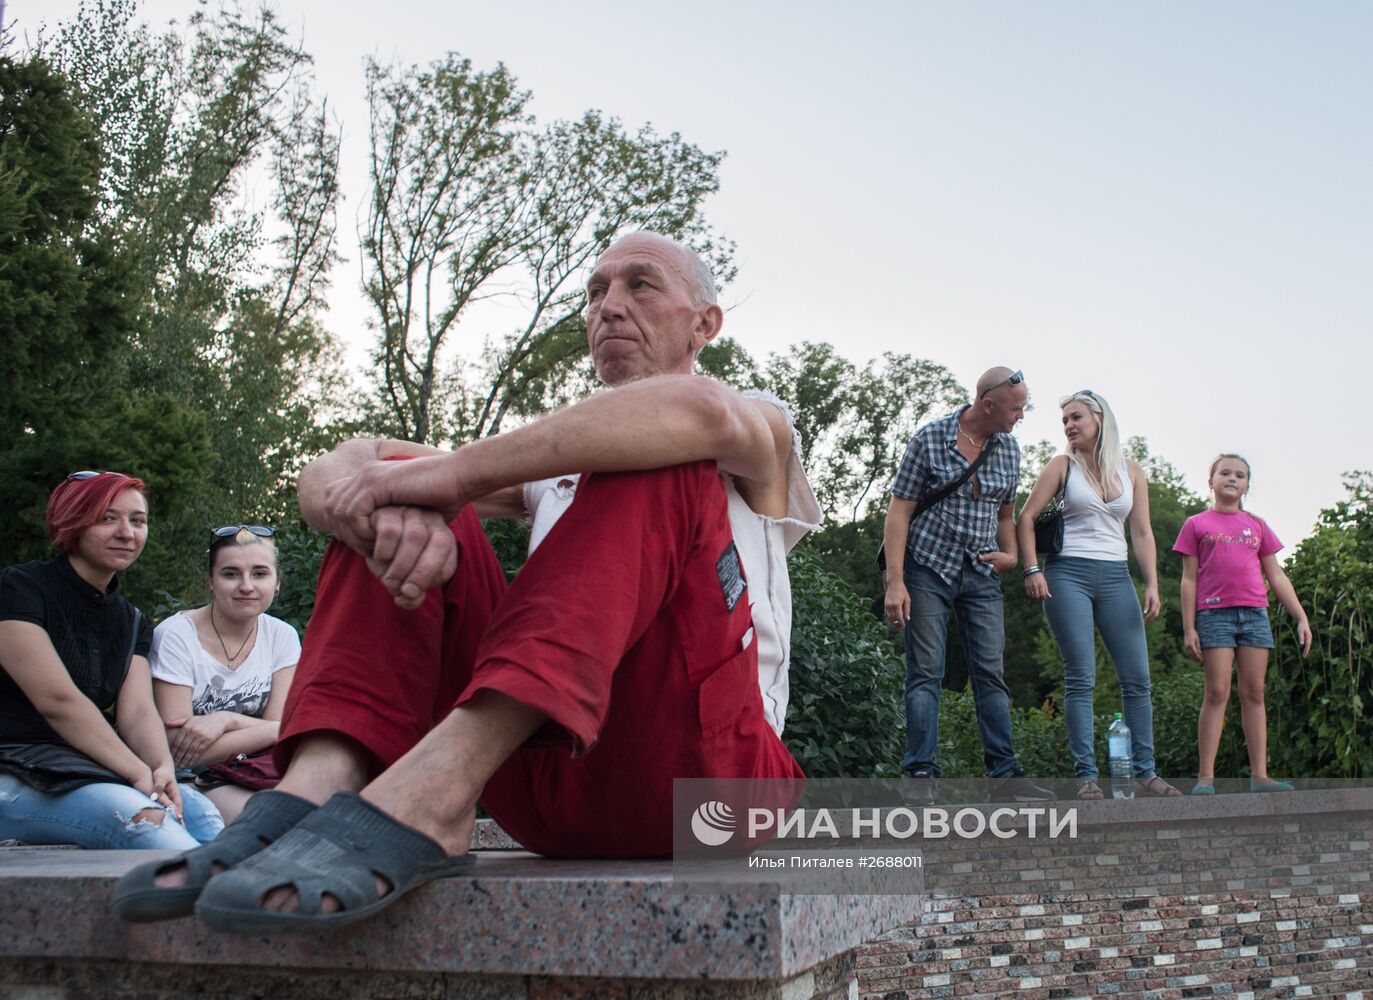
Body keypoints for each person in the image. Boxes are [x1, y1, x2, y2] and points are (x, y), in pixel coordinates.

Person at [113, 231, 819, 929]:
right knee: (398, 496)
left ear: (705, 324)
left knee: (663, 453)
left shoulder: (757, 430)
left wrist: (445, 475)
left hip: (709, 787)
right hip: (542, 789)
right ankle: (317, 785)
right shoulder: (550, 466)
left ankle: (438, 789)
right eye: (594, 292)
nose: (607, 306)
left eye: (639, 284)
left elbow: (697, 413)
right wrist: (380, 502)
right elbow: (344, 465)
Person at [0, 472, 223, 849]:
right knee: (148, 824)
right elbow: (58, 703)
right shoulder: (18, 589)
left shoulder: (132, 621)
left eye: (138, 520)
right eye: (108, 518)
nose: (127, 532)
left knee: (203, 817)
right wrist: (137, 771)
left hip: (78, 767)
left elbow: (137, 713)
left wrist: (162, 768)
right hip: (12, 767)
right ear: (72, 520)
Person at [882, 368, 1053, 804]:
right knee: (925, 673)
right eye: (1016, 408)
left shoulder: (1009, 450)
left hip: (980, 574)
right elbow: (898, 513)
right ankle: (921, 775)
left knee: (991, 674)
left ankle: (1004, 777)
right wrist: (896, 582)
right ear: (988, 404)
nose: (1021, 415)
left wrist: (1012, 556)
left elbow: (1004, 515)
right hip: (927, 568)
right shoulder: (930, 439)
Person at [1015, 390, 1179, 800]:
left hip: (1116, 577)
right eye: (1065, 421)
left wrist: (1153, 583)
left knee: (1138, 679)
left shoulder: (1131, 471)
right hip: (1067, 574)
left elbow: (1141, 531)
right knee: (1081, 677)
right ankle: (1086, 776)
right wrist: (1032, 569)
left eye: (1076, 417)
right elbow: (1026, 518)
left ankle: (1145, 771)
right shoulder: (1060, 467)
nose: (1069, 426)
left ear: (1099, 419)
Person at [1173, 454, 1311, 795]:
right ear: (1211, 481)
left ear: (1247, 485)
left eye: (1240, 475)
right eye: (1225, 473)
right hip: (1214, 614)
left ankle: (1260, 776)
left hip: (1254, 614)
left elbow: (1275, 575)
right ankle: (1206, 777)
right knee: (1217, 691)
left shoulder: (1257, 525)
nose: (1232, 479)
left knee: (1254, 693)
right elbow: (1188, 580)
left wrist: (1301, 616)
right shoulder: (1196, 524)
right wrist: (1189, 627)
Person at [150, 525, 299, 823]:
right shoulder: (176, 636)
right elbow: (177, 748)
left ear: (277, 582)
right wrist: (273, 730)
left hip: (256, 771)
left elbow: (282, 732)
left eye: (260, 574)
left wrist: (226, 720)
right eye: (231, 574)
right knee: (273, 822)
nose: (246, 586)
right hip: (189, 780)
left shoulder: (281, 636)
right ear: (211, 582)